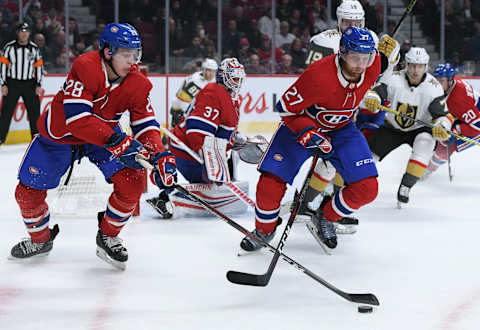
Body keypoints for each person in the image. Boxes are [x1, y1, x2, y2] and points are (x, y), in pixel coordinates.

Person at [8, 23, 177, 271]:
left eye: (136, 54)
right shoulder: (86, 67)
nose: (133, 61)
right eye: (126, 54)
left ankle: (108, 236)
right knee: (27, 193)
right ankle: (40, 240)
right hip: (60, 137)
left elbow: (146, 122)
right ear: (107, 52)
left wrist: (159, 153)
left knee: (133, 180)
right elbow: (78, 121)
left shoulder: (138, 83)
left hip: (103, 136)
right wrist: (119, 143)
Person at [240, 27, 390, 253]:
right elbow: (286, 109)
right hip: (302, 127)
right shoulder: (318, 76)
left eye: (365, 58)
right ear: (342, 52)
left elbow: (384, 65)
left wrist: (387, 64)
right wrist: (308, 132)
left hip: (342, 130)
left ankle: (325, 216)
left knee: (367, 188)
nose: (360, 64)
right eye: (354, 57)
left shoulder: (374, 64)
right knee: (269, 186)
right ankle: (264, 229)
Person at [298, 0, 399, 221]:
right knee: (326, 166)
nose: (352, 24)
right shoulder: (323, 41)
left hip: (348, 116)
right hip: (322, 113)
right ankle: (304, 204)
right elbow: (317, 83)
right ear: (338, 20)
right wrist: (364, 97)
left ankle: (331, 206)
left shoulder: (371, 40)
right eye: (347, 21)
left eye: (356, 21)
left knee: (345, 165)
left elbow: (381, 79)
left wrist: (390, 60)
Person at [147, 58, 246, 219]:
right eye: (234, 78)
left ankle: (171, 194)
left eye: (239, 78)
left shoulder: (230, 99)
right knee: (209, 181)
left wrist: (235, 141)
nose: (238, 82)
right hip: (185, 149)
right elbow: (197, 128)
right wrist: (207, 157)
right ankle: (167, 197)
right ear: (223, 77)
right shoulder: (213, 92)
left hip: (193, 145)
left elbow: (223, 131)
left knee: (225, 167)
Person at [367, 47, 450, 208]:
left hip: (419, 129)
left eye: (419, 66)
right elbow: (377, 92)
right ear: (406, 64)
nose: (415, 70)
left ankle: (406, 186)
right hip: (392, 127)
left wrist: (442, 125)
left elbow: (441, 115)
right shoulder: (394, 78)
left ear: (426, 67)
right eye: (412, 65)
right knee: (369, 156)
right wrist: (373, 98)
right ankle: (350, 181)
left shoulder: (434, 87)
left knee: (426, 143)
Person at [424, 62, 480, 177]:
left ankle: (428, 171)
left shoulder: (458, 100)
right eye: (437, 79)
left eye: (442, 81)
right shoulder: (451, 87)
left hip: (476, 126)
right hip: (466, 116)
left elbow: (478, 127)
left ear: (450, 80)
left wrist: (456, 130)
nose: (438, 84)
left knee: (446, 146)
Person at [0, 22, 43, 145]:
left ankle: (36, 139)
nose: (24, 34)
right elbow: (3, 66)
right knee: (6, 112)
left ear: (29, 33)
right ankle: (1, 138)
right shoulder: (9, 47)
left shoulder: (34, 48)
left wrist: (39, 84)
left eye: (26, 31)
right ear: (17, 33)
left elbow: (39, 67)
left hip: (30, 84)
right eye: (21, 31)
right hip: (12, 83)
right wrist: (3, 84)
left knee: (34, 112)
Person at [168, 58, 218, 129]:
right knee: (175, 132)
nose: (211, 74)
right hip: (180, 109)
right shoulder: (196, 81)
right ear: (204, 70)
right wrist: (187, 116)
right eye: (209, 70)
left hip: (185, 108)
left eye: (214, 71)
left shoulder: (203, 78)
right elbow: (184, 100)